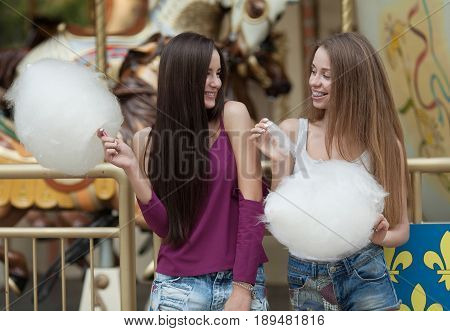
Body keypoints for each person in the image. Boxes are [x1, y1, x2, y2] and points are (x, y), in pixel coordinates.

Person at [98, 32, 268, 311]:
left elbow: (252, 207)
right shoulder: (146, 141)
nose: (216, 83)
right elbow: (166, 227)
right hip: (177, 288)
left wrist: (242, 288)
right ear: (181, 77)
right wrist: (132, 169)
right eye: (206, 74)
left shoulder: (234, 115)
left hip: (238, 282)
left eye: (218, 73)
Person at [251, 32, 410, 311]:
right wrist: (278, 159)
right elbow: (278, 221)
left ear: (352, 81)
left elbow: (401, 230)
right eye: (313, 72)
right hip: (307, 277)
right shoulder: (293, 132)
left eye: (326, 75)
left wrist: (380, 236)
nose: (314, 82)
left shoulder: (384, 143)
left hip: (365, 270)